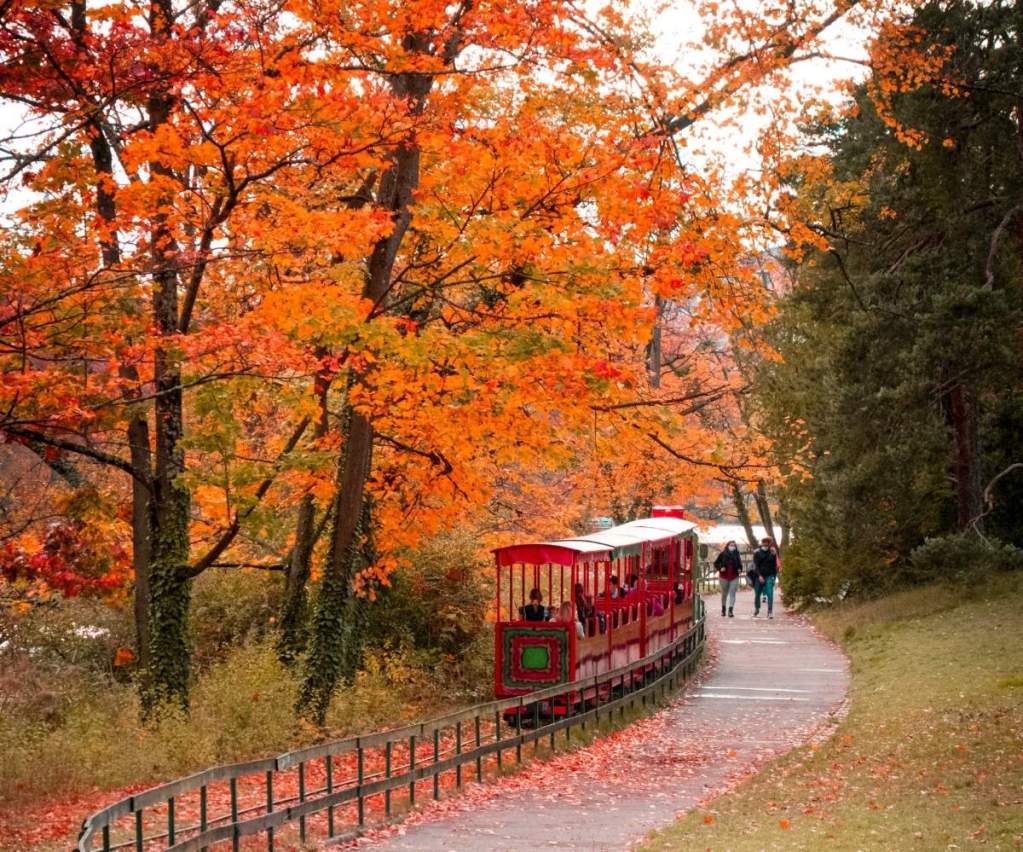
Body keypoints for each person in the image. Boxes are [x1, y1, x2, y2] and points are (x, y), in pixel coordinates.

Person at [714, 541, 742, 617]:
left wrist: (740, 569)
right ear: (727, 546)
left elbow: (740, 564)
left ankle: (730, 611)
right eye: (731, 545)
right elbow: (716, 563)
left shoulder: (737, 554)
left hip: (734, 576)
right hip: (724, 577)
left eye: (734, 545)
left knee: (732, 593)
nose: (732, 547)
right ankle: (723, 609)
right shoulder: (723, 554)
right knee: (724, 594)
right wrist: (720, 568)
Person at [753, 538, 779, 618]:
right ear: (762, 543)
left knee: (770, 594)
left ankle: (770, 611)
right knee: (757, 594)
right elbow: (756, 566)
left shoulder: (772, 553)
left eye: (767, 543)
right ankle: (757, 608)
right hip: (759, 576)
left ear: (769, 544)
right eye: (764, 543)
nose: (765, 544)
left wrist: (774, 576)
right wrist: (759, 576)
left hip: (769, 576)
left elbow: (774, 566)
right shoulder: (757, 553)